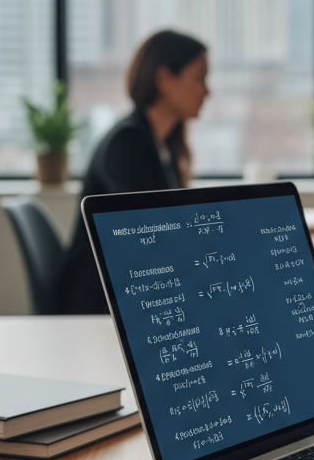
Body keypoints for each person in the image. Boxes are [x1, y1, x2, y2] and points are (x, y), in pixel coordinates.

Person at [58, 30, 210, 314]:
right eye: (199, 78)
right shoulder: (127, 142)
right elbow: (149, 234)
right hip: (99, 295)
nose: (207, 91)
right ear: (165, 79)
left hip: (131, 286)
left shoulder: (160, 145)